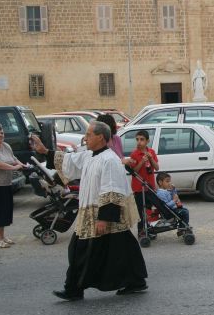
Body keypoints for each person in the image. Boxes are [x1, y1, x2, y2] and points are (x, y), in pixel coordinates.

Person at [31, 122, 148, 300]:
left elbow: (112, 190)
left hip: (101, 214)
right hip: (91, 212)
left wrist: (104, 218)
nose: (85, 138)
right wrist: (45, 151)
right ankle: (135, 281)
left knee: (83, 250)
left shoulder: (109, 160)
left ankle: (74, 289)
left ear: (100, 137)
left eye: (89, 134)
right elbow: (69, 162)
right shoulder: (89, 155)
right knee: (120, 249)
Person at [125, 130, 160, 241]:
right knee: (140, 209)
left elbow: (157, 167)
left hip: (149, 186)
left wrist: (149, 158)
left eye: (142, 139)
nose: (139, 142)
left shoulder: (152, 152)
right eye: (137, 139)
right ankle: (141, 230)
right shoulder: (134, 154)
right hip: (138, 187)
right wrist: (141, 161)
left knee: (148, 209)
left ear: (147, 141)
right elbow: (134, 171)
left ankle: (148, 228)